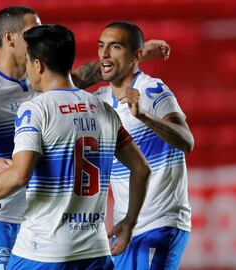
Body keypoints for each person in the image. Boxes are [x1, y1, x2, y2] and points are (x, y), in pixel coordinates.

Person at [0, 6, 170, 269]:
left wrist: (135, 55)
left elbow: (75, 76)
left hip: (33, 217)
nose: (38, 35)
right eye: (31, 31)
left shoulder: (39, 86)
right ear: (10, 39)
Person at [94, 21, 195, 269]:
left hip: (160, 222)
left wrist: (144, 117)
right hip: (124, 225)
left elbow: (186, 140)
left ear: (136, 55)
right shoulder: (99, 100)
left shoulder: (151, 89)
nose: (104, 54)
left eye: (115, 47)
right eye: (101, 46)